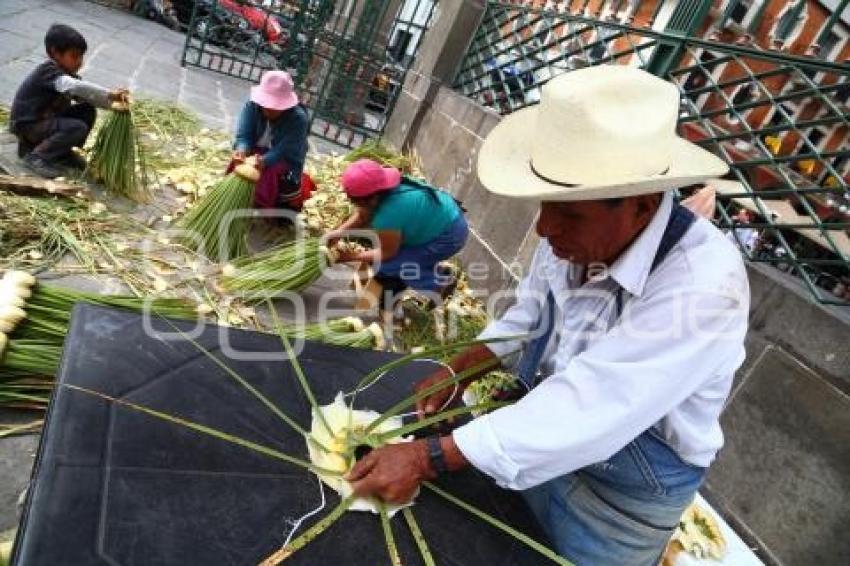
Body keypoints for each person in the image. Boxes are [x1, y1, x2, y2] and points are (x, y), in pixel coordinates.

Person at [344, 66, 750, 565]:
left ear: (642, 207)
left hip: (616, 506)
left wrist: (428, 456)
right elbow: (531, 314)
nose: (544, 227)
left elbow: (594, 405)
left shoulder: (705, 286)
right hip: (535, 446)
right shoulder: (571, 243)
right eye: (545, 204)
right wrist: (459, 368)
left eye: (570, 212)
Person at [328, 159, 468, 304]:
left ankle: (439, 284)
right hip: (441, 218)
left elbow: (387, 253)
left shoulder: (388, 215)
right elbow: (363, 215)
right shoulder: (382, 188)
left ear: (371, 199)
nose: (355, 205)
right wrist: (338, 233)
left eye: (356, 202)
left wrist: (349, 256)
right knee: (388, 254)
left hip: (449, 236)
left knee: (387, 266)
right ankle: (426, 265)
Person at [9, 24, 129, 179]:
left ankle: (62, 152)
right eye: (74, 56)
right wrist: (110, 95)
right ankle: (37, 156)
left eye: (81, 56)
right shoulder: (48, 71)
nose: (80, 62)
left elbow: (86, 95)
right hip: (28, 126)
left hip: (45, 122)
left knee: (87, 110)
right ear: (55, 53)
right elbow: (74, 87)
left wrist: (112, 105)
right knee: (76, 127)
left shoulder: (68, 75)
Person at [230, 70, 312, 210]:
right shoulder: (252, 106)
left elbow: (283, 150)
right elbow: (244, 135)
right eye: (266, 105)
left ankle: (258, 206)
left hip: (283, 159)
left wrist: (264, 161)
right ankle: (234, 198)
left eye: (275, 107)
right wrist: (242, 150)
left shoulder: (298, 119)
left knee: (270, 172)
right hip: (254, 152)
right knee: (239, 164)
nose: (269, 109)